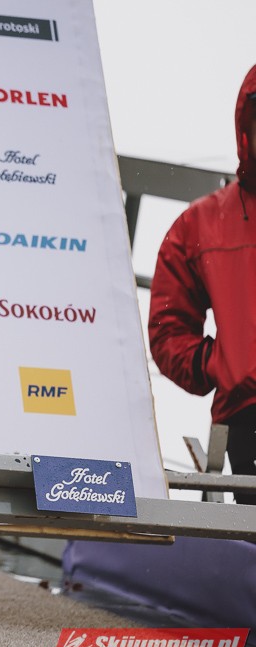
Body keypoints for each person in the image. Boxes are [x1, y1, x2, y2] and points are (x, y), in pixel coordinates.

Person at [148, 63, 256, 505]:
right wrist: (218, 362)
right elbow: (168, 326)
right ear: (247, 126)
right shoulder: (203, 223)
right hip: (250, 417)